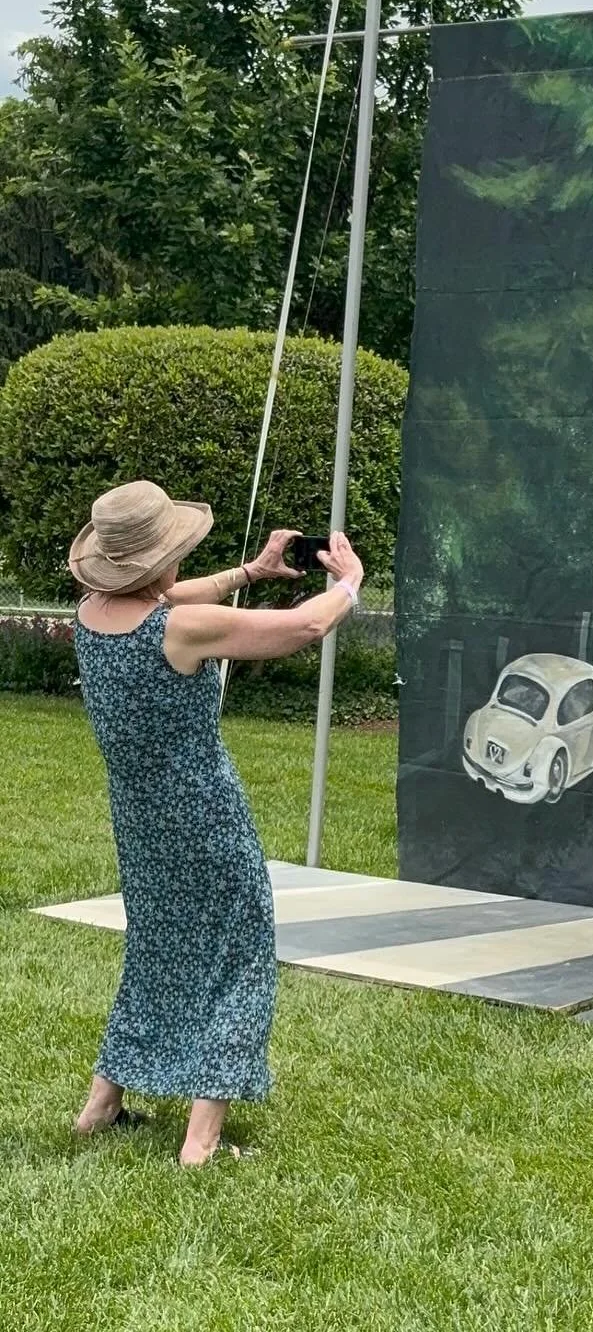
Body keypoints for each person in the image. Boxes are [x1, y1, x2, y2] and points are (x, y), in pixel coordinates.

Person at [67, 480, 365, 1164]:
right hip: (203, 812)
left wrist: (252, 573)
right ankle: (200, 1142)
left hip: (139, 822)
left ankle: (100, 1106)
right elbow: (303, 629)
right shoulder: (176, 629)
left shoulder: (91, 611)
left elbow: (165, 594)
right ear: (159, 556)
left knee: (155, 951)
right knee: (240, 952)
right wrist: (348, 584)